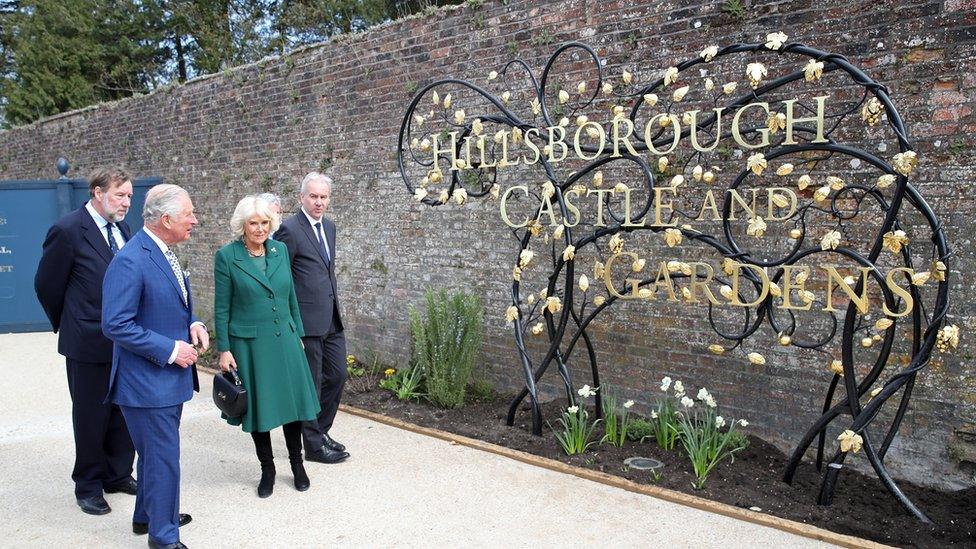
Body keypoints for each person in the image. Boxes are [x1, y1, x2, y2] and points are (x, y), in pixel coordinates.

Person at [102, 184, 207, 549]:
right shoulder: (132, 259)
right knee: (163, 461)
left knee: (153, 456)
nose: (195, 220)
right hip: (147, 383)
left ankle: (147, 516)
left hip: (163, 381)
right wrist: (170, 349)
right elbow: (116, 323)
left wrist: (193, 323)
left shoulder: (163, 251)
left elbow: (171, 302)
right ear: (166, 220)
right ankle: (164, 539)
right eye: (189, 214)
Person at [34, 167, 138, 516]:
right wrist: (70, 322)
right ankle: (89, 485)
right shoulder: (67, 230)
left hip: (125, 341)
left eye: (129, 196)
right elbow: (47, 284)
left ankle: (118, 473)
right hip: (87, 341)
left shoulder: (123, 228)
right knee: (91, 416)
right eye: (119, 195)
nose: (126, 202)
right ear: (97, 192)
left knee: (123, 411)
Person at [213, 195, 320, 497]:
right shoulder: (227, 257)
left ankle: (297, 465)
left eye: (264, 223)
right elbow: (222, 307)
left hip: (285, 338)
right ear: (242, 225)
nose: (259, 229)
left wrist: (297, 332)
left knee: (292, 407)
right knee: (260, 409)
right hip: (249, 345)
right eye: (253, 223)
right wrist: (224, 349)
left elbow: (290, 297)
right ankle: (268, 470)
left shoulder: (280, 250)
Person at [275, 172, 349, 464]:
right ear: (301, 198)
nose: (319, 202)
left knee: (338, 375)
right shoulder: (289, 230)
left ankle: (320, 431)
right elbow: (282, 279)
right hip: (305, 321)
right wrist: (290, 324)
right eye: (314, 196)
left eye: (323, 197)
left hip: (331, 317)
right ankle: (314, 447)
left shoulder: (329, 227)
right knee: (311, 384)